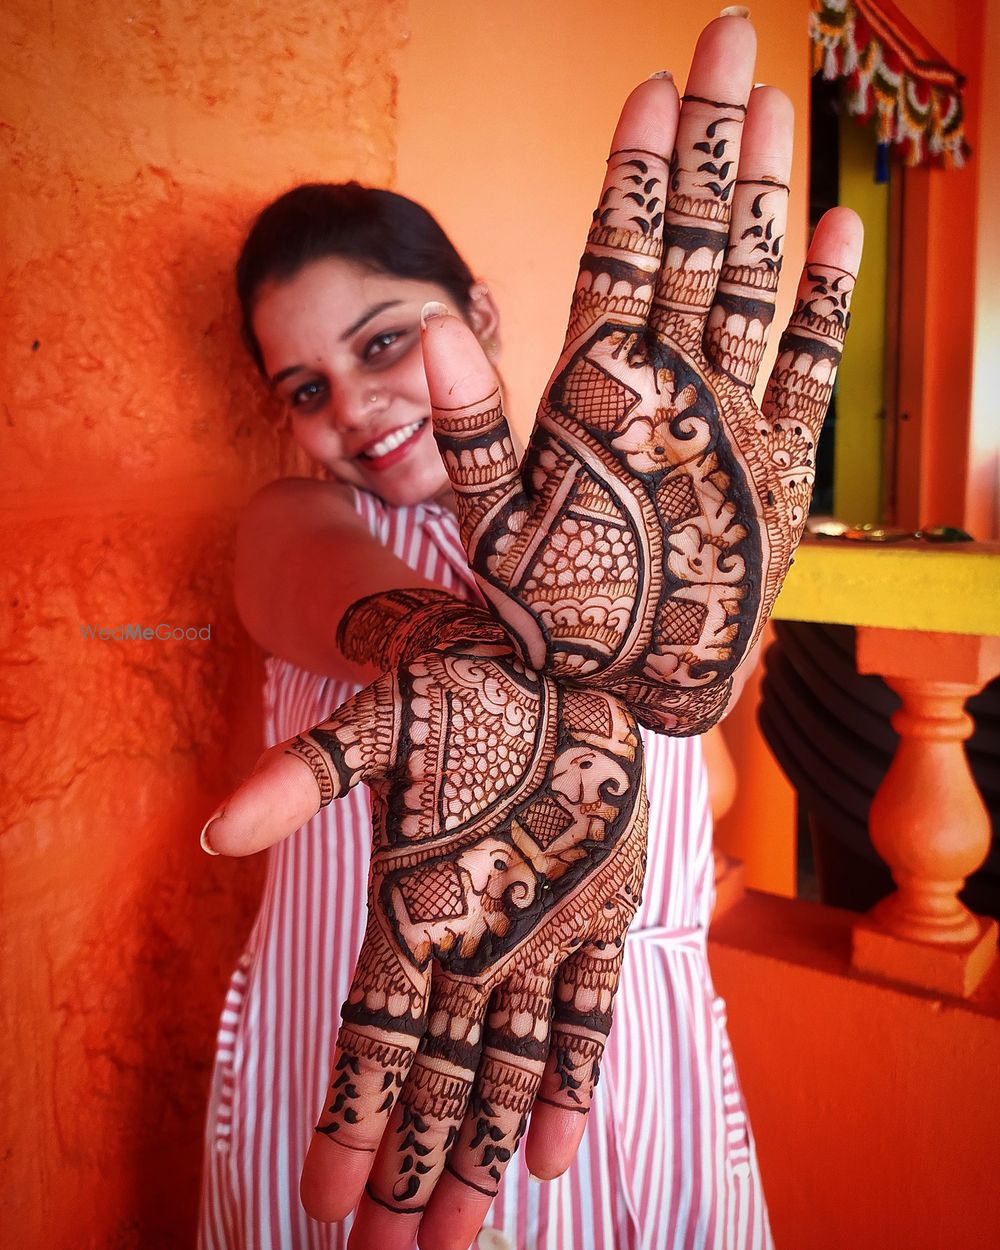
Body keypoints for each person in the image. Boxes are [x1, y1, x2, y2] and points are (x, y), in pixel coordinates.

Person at [198, 14, 861, 1249]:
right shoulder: (298, 522)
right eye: (306, 389)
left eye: (383, 338)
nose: (355, 404)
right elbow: (324, 588)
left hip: (614, 1050)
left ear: (477, 316)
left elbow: (691, 790)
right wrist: (461, 654)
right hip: (359, 1036)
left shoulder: (636, 541)